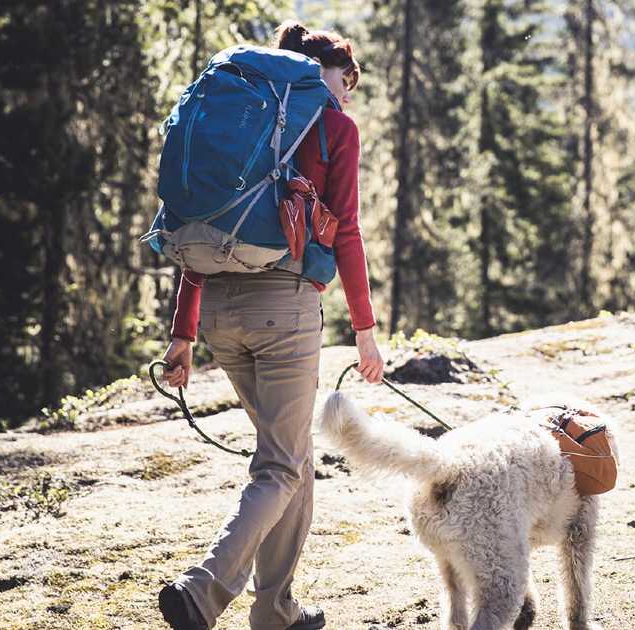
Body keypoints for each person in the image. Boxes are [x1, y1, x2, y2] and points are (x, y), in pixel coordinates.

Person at [156, 21, 383, 630]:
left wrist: (183, 334)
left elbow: (207, 227)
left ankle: (276, 610)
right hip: (283, 309)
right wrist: (365, 329)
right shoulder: (333, 125)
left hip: (221, 316)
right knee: (282, 465)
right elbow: (350, 231)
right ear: (317, 69)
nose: (348, 90)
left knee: (292, 456)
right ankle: (204, 590)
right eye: (346, 77)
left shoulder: (244, 121)